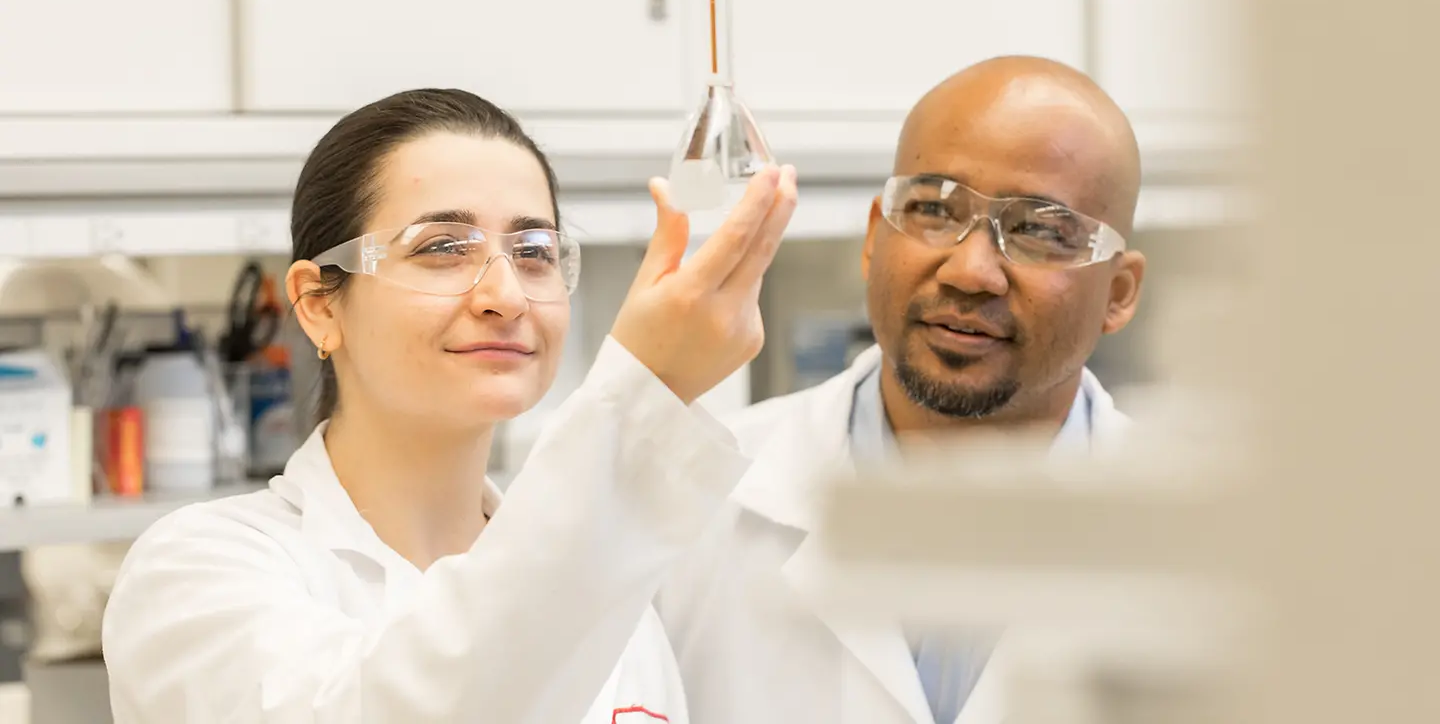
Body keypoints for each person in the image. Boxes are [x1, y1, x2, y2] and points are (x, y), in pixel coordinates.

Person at [101, 88, 799, 723]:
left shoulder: (618, 608)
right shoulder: (199, 572)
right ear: (318, 305)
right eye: (442, 248)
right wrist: (642, 394)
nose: (507, 295)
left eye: (533, 251)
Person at [657, 56, 1148, 724]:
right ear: (873, 238)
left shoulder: (1230, 556)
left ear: (1118, 294)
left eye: (1038, 229)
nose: (972, 271)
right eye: (934, 209)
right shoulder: (686, 500)